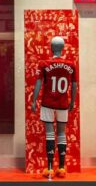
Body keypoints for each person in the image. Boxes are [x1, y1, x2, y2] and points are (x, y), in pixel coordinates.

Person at [30, 36, 77, 178]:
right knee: (61, 134)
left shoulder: (44, 63)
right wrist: (72, 101)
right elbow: (74, 85)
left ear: (51, 47)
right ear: (63, 48)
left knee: (50, 134)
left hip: (48, 103)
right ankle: (62, 167)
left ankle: (50, 167)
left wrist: (33, 100)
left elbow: (39, 82)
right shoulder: (71, 65)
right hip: (63, 103)